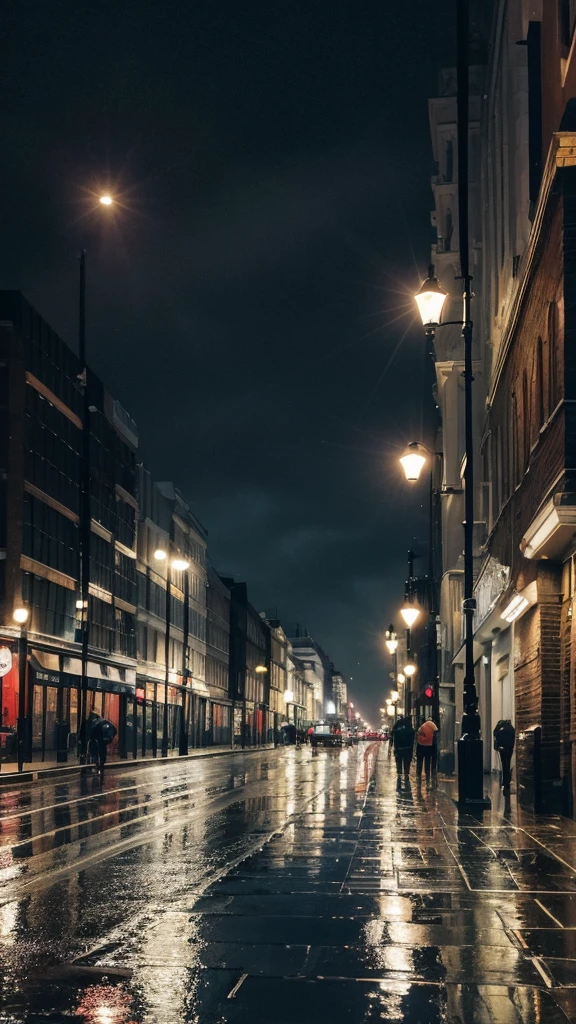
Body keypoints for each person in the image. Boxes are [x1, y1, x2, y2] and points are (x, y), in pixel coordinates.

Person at [493, 719, 515, 791]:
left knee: (503, 764)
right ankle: (507, 780)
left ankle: (505, 781)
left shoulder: (501, 731)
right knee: (508, 764)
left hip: (502, 749)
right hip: (509, 749)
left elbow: (495, 733)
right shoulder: (512, 730)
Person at [416, 718, 438, 783]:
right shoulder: (433, 726)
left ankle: (418, 775)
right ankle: (427, 776)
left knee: (419, 761)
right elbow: (435, 735)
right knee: (427, 762)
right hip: (429, 746)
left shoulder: (422, 727)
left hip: (420, 746)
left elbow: (418, 736)